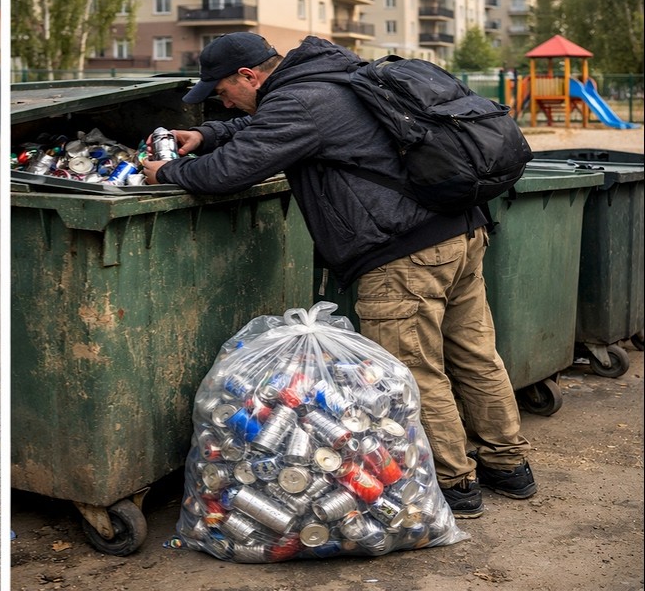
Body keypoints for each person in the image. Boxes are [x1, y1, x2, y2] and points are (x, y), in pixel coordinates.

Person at [141, 32, 537, 519]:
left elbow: (230, 172)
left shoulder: (298, 100)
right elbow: (270, 131)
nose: (223, 104)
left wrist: (165, 173)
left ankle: (454, 483)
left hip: (402, 256)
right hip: (460, 233)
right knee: (476, 356)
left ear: (249, 75)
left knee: (415, 372)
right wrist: (209, 135)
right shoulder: (334, 74)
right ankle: (509, 465)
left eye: (223, 93)